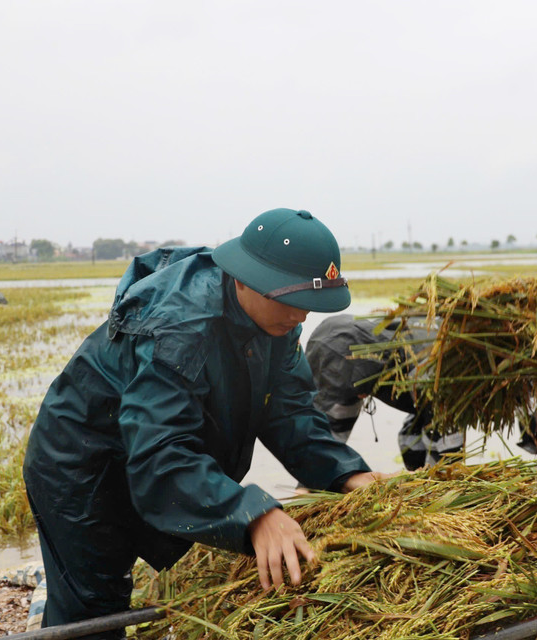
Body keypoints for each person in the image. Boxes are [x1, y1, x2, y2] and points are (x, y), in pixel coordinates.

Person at [22, 208, 383, 635]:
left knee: (108, 598)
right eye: (293, 302)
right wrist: (252, 514)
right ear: (247, 278)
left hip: (147, 453)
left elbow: (291, 413)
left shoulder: (276, 319)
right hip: (83, 464)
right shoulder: (182, 327)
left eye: (310, 305)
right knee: (93, 610)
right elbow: (160, 454)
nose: (301, 317)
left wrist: (347, 473)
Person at [306, 314, 537, 468]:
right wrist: (311, 484)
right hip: (420, 377)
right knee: (414, 442)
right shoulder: (338, 352)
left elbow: (448, 457)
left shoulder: (428, 370)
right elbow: (327, 440)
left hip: (489, 368)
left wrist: (437, 498)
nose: (358, 400)